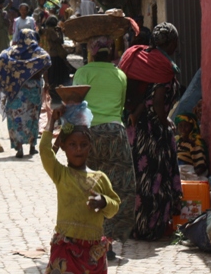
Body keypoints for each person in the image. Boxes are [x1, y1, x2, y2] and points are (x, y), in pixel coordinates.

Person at [117, 22, 183, 240]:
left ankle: (135, 225)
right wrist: (165, 121)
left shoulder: (141, 58)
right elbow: (157, 101)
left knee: (139, 178)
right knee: (155, 180)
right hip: (153, 132)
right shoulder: (161, 65)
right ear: (171, 43)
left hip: (136, 131)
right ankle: (151, 227)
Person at [40, 103, 120, 274]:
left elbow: (115, 206)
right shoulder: (61, 174)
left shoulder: (100, 178)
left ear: (90, 146)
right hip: (65, 249)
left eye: (83, 144)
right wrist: (52, 120)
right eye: (72, 144)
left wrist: (104, 202)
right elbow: (45, 150)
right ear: (63, 146)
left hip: (93, 253)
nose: (78, 149)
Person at [75, 36, 134, 255]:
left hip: (88, 135)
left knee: (87, 187)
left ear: (92, 52)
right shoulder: (120, 75)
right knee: (117, 188)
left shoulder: (83, 73)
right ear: (109, 53)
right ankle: (107, 241)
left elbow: (75, 104)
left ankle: (87, 239)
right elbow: (120, 106)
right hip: (115, 134)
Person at [0, 29, 51, 158]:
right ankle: (32, 147)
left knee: (15, 118)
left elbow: (2, 59)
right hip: (33, 90)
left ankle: (19, 147)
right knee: (33, 117)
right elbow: (47, 61)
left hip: (15, 92)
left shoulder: (10, 53)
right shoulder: (38, 52)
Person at [40, 16, 70, 97]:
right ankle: (56, 90)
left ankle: (53, 90)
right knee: (57, 74)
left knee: (52, 74)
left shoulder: (45, 31)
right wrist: (60, 33)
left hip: (50, 54)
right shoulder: (51, 31)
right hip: (55, 54)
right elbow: (59, 41)